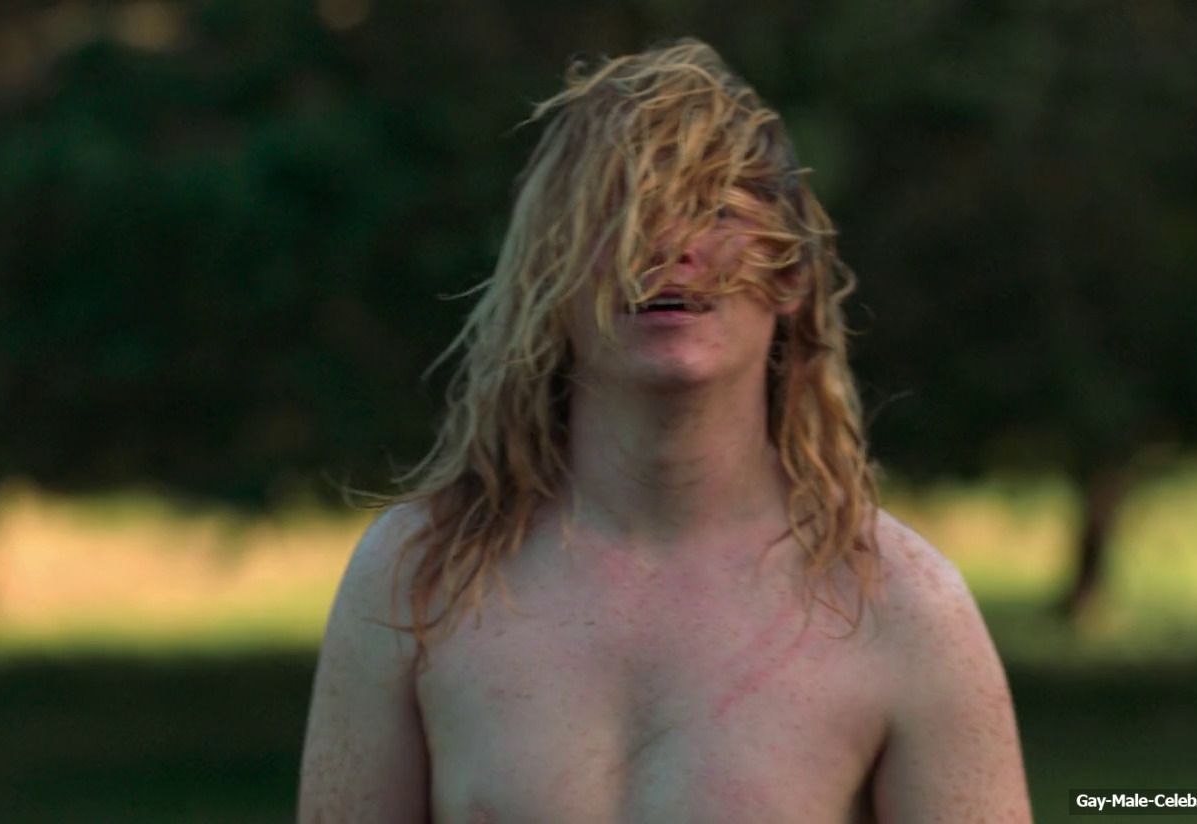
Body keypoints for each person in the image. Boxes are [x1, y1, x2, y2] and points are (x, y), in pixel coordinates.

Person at [298, 38, 1032, 823]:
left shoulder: (905, 606)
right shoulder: (416, 580)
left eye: (715, 209)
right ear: (550, 266)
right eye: (620, 209)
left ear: (790, 273)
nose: (669, 245)